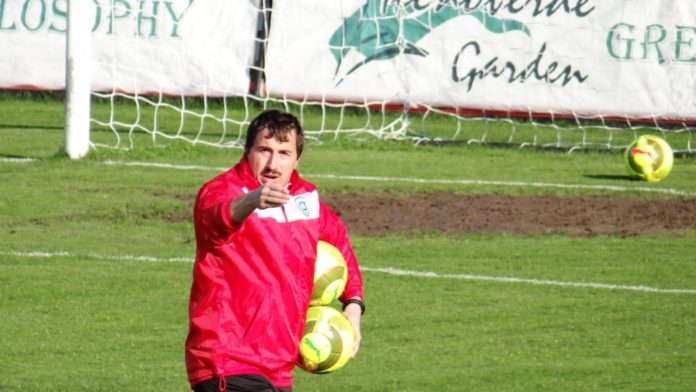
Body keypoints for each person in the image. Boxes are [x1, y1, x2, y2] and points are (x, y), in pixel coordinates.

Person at [185, 109, 365, 392]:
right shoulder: (223, 190)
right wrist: (252, 201)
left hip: (280, 367)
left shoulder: (306, 200)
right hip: (228, 362)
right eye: (264, 150)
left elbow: (340, 242)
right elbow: (213, 222)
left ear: (297, 159)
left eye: (283, 153)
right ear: (247, 151)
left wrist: (353, 304)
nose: (273, 164)